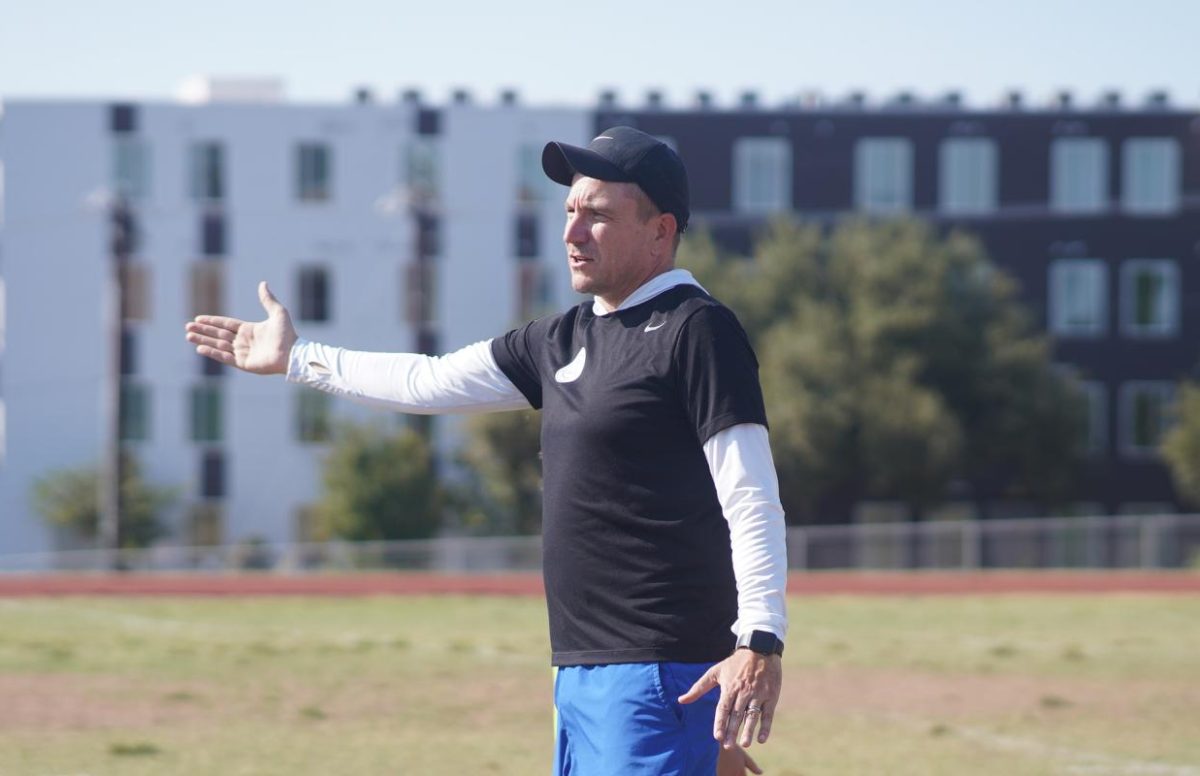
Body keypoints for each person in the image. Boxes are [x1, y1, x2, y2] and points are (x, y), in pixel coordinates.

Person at [186, 126, 788, 776]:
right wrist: (297, 358)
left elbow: (750, 493)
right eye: (569, 212)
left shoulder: (697, 331)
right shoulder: (562, 339)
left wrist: (758, 638)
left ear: (660, 231)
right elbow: (425, 381)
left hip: (657, 669)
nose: (573, 233)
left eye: (599, 216)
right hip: (581, 671)